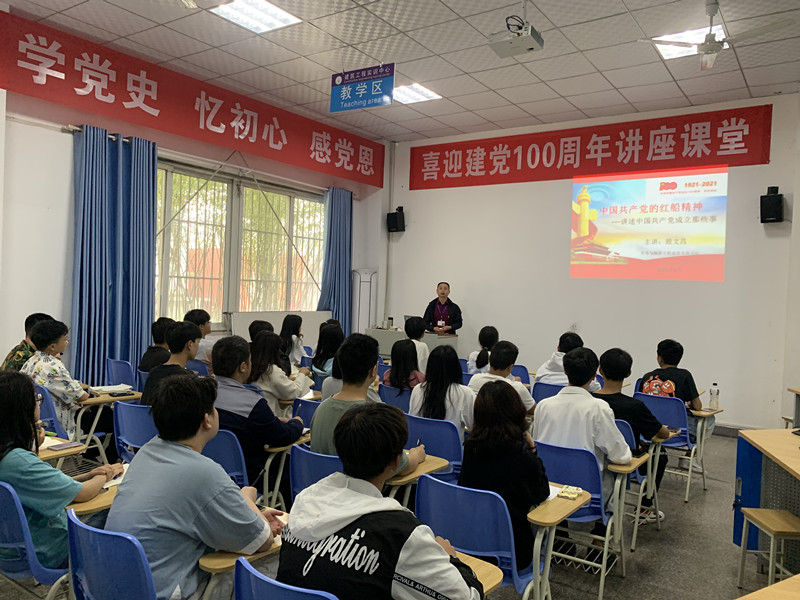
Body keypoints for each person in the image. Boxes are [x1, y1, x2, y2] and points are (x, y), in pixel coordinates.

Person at [277, 402, 484, 600]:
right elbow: (467, 597)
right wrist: (452, 559)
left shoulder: (305, 499)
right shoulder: (401, 534)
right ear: (396, 462)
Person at [105, 374, 283, 600]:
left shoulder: (147, 452)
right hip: (161, 592)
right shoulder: (204, 473)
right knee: (272, 559)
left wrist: (246, 513)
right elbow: (262, 541)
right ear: (207, 420)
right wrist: (247, 498)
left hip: (114, 586)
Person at [0, 371, 122, 569]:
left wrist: (90, 474)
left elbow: (48, 483)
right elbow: (83, 494)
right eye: (36, 399)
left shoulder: (8, 456)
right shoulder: (19, 462)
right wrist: (106, 474)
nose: (38, 404)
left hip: (11, 551)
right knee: (115, 510)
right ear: (21, 408)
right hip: (51, 551)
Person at [459, 380, 550, 570]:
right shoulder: (523, 459)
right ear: (517, 413)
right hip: (513, 554)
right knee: (546, 531)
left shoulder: (470, 450)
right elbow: (542, 493)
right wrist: (532, 449)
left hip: (471, 545)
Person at [310, 333, 425, 477]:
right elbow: (402, 467)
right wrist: (417, 455)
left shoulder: (320, 409)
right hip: (358, 490)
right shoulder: (374, 420)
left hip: (321, 486)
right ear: (373, 371)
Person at [532, 347, 631, 510]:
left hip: (549, 488)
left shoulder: (543, 406)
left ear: (565, 371)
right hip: (587, 495)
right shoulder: (599, 408)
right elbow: (620, 456)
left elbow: (538, 447)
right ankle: (604, 524)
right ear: (594, 376)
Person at [213, 335, 305, 487]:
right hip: (252, 478)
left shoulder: (200, 394)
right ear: (243, 366)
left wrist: (272, 421)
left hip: (213, 475)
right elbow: (282, 436)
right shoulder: (252, 404)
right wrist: (297, 423)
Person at [593, 348, 669, 523]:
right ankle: (645, 506)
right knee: (661, 455)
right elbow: (662, 434)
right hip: (624, 462)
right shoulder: (635, 406)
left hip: (592, 460)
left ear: (600, 370)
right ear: (628, 373)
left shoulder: (590, 401)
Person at [638, 338, 711, 472]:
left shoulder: (647, 377)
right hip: (678, 433)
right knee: (709, 420)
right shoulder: (685, 376)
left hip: (649, 431)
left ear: (659, 358)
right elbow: (698, 406)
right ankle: (688, 457)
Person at [21, 320, 89, 438]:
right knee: (105, 414)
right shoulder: (53, 366)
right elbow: (81, 396)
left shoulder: (30, 362)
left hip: (35, 422)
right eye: (65, 339)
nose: (67, 343)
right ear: (52, 346)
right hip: (56, 425)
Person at [409, 345, 475, 440]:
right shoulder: (466, 394)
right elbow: (476, 428)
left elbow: (413, 423)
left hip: (421, 447)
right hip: (452, 449)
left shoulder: (418, 389)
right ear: (456, 367)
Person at [248, 331, 313, 415]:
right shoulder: (271, 371)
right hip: (273, 416)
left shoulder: (249, 368)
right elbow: (294, 392)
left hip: (253, 415)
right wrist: (302, 374)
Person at [140, 321, 202, 406]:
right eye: (198, 342)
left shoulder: (154, 372)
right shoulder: (188, 379)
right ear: (190, 344)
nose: (198, 346)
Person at [468, 341, 535, 416]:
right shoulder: (517, 388)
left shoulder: (475, 379)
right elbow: (534, 410)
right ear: (510, 367)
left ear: (489, 359)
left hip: (478, 423)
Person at [534, 332, 601, 393]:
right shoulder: (585, 372)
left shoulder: (543, 369)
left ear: (558, 348)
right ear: (579, 351)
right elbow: (597, 389)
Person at [184, 308, 213, 372]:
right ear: (201, 326)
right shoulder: (209, 346)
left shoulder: (184, 344)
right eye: (208, 322)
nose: (210, 324)